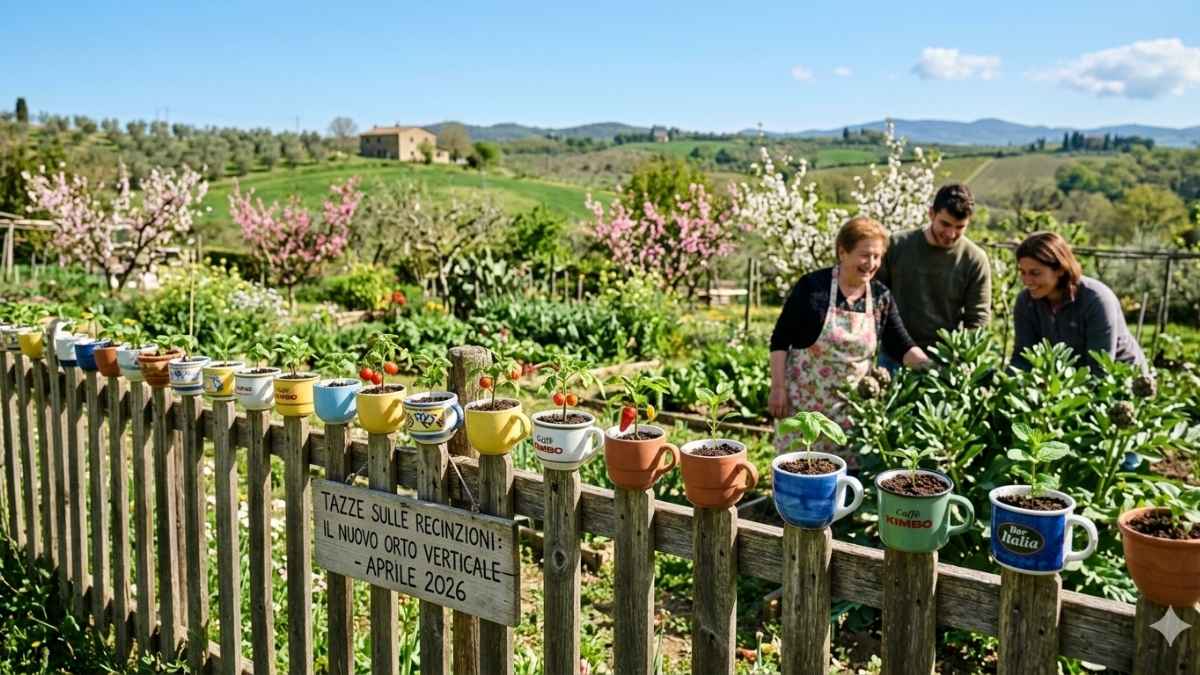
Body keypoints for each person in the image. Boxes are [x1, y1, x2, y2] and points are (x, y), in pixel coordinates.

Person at [768, 216, 931, 464]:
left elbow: (902, 345)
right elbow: (780, 340)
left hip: (851, 414)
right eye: (865, 255)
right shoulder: (812, 288)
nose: (872, 263)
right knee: (799, 473)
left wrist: (934, 369)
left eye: (877, 256)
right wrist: (778, 388)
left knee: (844, 484)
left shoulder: (880, 297)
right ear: (843, 252)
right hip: (804, 408)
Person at [876, 183, 992, 363]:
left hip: (945, 358)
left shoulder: (974, 259)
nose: (950, 234)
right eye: (945, 224)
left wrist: (963, 358)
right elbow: (877, 298)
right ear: (931, 214)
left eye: (959, 227)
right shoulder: (898, 245)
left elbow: (977, 319)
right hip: (895, 352)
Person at [1011, 231, 1147, 375]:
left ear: (1060, 269)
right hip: (1073, 380)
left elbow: (1101, 367)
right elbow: (1023, 357)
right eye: (1022, 272)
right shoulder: (1026, 302)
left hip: (1123, 379)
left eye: (1035, 273)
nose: (1026, 281)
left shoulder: (1096, 300)